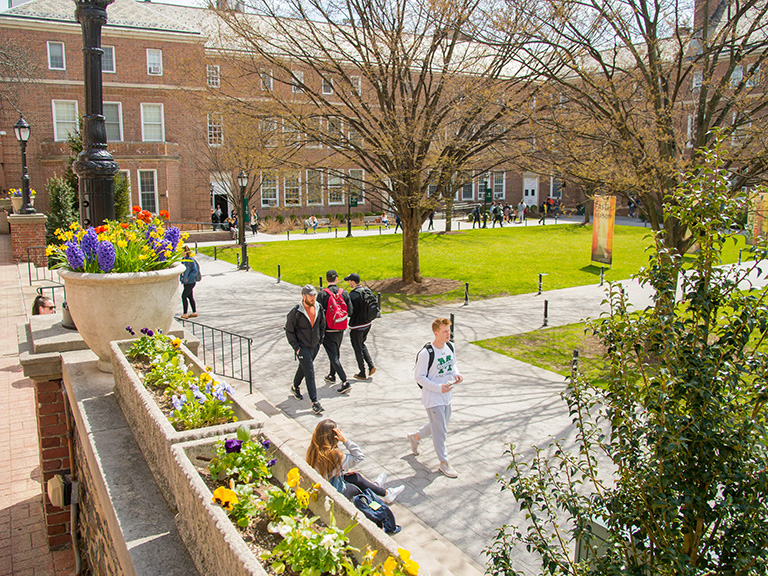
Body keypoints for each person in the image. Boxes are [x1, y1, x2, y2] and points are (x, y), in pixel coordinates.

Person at [407, 318, 463, 478]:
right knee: (441, 431)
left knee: (438, 425)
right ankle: (444, 463)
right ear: (436, 333)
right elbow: (419, 377)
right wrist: (439, 388)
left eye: (449, 330)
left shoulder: (450, 347)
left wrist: (456, 374)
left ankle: (415, 437)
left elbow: (453, 364)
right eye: (445, 331)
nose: (448, 334)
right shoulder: (426, 353)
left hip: (447, 396)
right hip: (433, 399)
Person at [306, 419, 404, 506]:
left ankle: (382, 490)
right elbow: (359, 456)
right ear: (334, 437)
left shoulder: (313, 451)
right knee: (358, 484)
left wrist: (342, 471)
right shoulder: (334, 455)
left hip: (325, 486)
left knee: (354, 477)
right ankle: (380, 490)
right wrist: (345, 440)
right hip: (336, 491)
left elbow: (328, 472)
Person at [285, 284, 326, 414]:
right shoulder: (296, 312)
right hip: (302, 347)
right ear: (304, 296)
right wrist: (296, 348)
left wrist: (320, 341)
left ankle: (295, 386)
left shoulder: (319, 307)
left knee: (304, 367)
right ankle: (315, 402)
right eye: (310, 296)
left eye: (314, 295)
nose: (313, 298)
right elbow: (289, 331)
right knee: (310, 372)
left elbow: (322, 325)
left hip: (315, 346)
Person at [318, 270, 353, 394]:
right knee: (336, 353)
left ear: (327, 280)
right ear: (337, 279)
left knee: (333, 356)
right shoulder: (344, 293)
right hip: (340, 328)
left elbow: (318, 314)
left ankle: (344, 381)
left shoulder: (322, 294)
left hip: (328, 330)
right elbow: (350, 311)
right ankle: (332, 375)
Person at [345, 273, 377, 380]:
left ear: (353, 282)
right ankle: (371, 365)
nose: (348, 283)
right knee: (361, 344)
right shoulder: (366, 291)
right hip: (367, 324)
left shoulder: (353, 295)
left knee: (357, 348)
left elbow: (349, 312)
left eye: (349, 281)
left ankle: (362, 372)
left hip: (357, 326)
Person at [179, 246, 199, 319]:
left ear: (185, 252)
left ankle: (185, 314)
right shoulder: (183, 260)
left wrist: (188, 278)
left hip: (190, 282)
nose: (180, 253)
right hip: (185, 282)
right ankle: (194, 312)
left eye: (181, 251)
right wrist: (182, 278)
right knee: (190, 296)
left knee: (184, 296)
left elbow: (195, 271)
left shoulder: (190, 259)